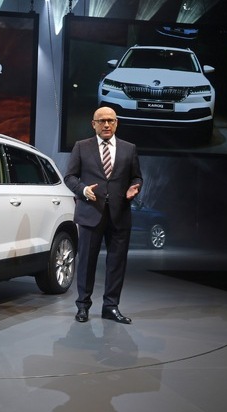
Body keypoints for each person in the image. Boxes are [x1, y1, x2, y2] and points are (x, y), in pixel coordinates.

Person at [64, 106, 142, 324]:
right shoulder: (81, 147)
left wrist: (135, 187)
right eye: (102, 121)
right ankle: (83, 306)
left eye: (111, 120)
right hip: (91, 212)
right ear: (93, 124)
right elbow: (70, 177)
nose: (107, 124)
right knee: (86, 262)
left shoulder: (129, 149)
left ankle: (111, 307)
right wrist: (82, 190)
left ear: (116, 123)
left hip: (120, 214)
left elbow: (137, 177)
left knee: (117, 263)